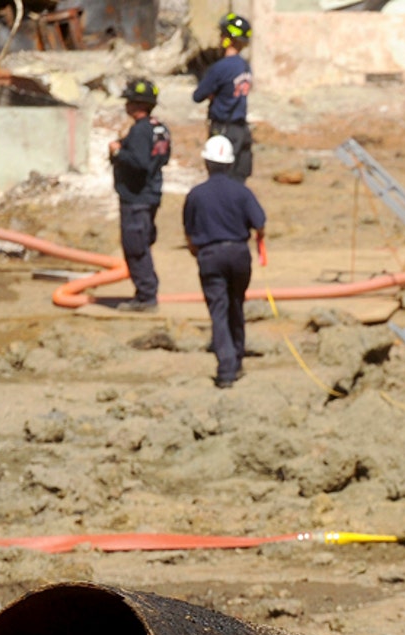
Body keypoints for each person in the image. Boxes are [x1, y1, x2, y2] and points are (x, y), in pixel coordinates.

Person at [182, 135, 266, 389]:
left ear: (207, 163)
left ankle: (226, 369)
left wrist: (198, 252)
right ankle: (236, 358)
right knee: (236, 305)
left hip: (210, 256)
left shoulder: (196, 195)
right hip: (239, 254)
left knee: (219, 311)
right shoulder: (241, 192)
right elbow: (260, 223)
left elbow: (189, 232)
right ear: (229, 164)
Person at [107, 78, 170, 313]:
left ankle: (146, 296)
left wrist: (118, 152)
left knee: (135, 247)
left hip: (137, 198)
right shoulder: (159, 128)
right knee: (142, 243)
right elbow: (160, 157)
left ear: (136, 104)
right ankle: (145, 292)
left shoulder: (141, 130)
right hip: (150, 195)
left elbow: (140, 162)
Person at [193, 14, 255, 183]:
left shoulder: (220, 68)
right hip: (241, 129)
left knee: (220, 178)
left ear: (228, 38)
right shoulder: (245, 66)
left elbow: (198, 96)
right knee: (238, 178)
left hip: (223, 128)